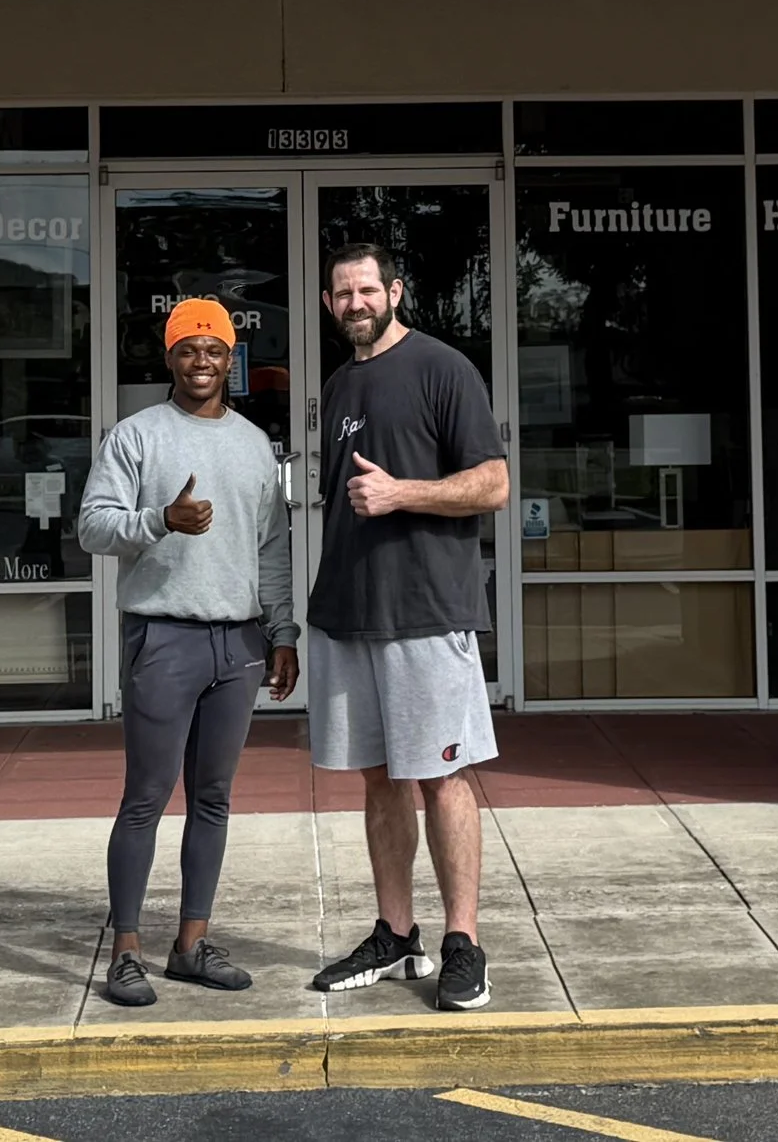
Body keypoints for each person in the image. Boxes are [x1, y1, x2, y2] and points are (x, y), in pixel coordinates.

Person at [78, 298, 300, 1008]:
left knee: (214, 797)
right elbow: (92, 524)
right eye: (188, 348)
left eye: (214, 348)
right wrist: (158, 520)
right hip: (163, 635)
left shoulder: (254, 444)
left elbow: (272, 549)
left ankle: (190, 944)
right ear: (169, 357)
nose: (201, 360)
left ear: (230, 357)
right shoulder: (136, 437)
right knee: (145, 797)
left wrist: (283, 631)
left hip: (236, 641)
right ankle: (126, 951)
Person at [302, 244, 507, 1013]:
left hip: (426, 612)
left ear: (394, 289)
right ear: (329, 305)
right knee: (380, 779)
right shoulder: (341, 382)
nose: (356, 301)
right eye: (342, 292)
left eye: (367, 288)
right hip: (349, 616)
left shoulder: (443, 368)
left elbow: (493, 481)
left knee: (441, 776)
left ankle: (463, 942)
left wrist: (403, 494)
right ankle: (396, 932)